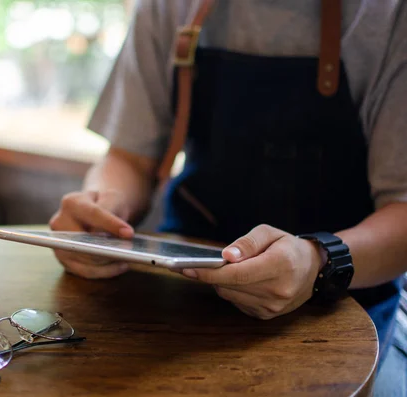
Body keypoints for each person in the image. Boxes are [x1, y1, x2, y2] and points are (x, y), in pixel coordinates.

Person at [49, 0, 407, 377]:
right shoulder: (166, 7)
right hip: (182, 289)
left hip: (340, 304)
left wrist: (318, 261)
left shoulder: (390, 14)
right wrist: (101, 210)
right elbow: (129, 159)